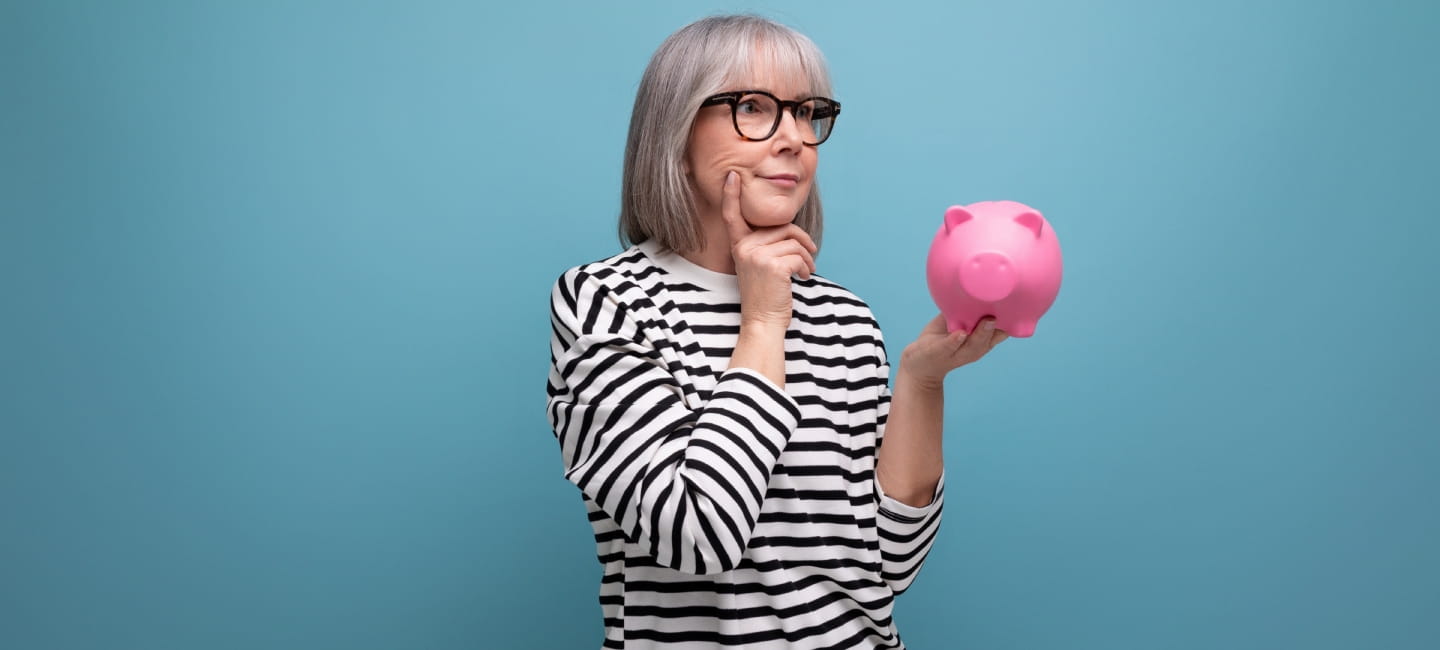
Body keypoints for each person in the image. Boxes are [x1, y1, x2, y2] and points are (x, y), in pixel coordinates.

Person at [545, 14, 1008, 649]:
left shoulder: (845, 318)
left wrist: (922, 382)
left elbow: (889, 564)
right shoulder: (606, 302)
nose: (795, 138)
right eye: (754, 107)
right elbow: (698, 537)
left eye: (807, 112)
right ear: (676, 129)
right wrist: (763, 320)